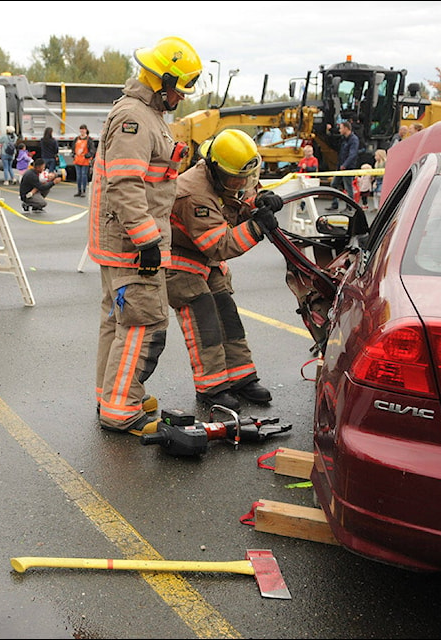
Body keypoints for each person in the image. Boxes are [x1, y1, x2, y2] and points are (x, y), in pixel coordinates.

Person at [89, 35, 202, 435]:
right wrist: (147, 240)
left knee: (118, 321)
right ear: (163, 81)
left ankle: (112, 394)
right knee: (142, 322)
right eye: (181, 89)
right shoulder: (135, 118)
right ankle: (122, 407)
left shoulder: (144, 115)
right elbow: (125, 184)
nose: (183, 98)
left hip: (125, 242)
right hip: (134, 246)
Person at [167, 129, 280, 410]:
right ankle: (212, 387)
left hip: (205, 260)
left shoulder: (226, 176)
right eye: (236, 178)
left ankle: (241, 378)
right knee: (203, 318)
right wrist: (257, 227)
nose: (242, 183)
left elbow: (239, 198)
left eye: (246, 178)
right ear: (216, 170)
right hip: (181, 260)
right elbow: (219, 245)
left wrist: (260, 201)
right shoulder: (193, 194)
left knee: (227, 314)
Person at [325, 120, 359, 211]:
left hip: (348, 167)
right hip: (341, 166)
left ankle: (349, 206)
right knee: (334, 184)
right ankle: (335, 204)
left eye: (340, 128)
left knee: (348, 187)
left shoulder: (353, 140)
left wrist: (345, 164)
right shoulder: (344, 138)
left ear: (346, 128)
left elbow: (353, 154)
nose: (339, 130)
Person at [70, 124, 96, 197]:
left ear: (86, 130)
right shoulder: (76, 139)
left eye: (83, 129)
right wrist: (73, 154)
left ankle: (83, 190)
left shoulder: (89, 139)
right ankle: (79, 190)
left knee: (84, 175)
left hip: (85, 160)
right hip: (77, 160)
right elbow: (73, 148)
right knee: (78, 176)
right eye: (81, 129)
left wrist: (87, 155)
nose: (82, 131)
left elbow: (92, 149)